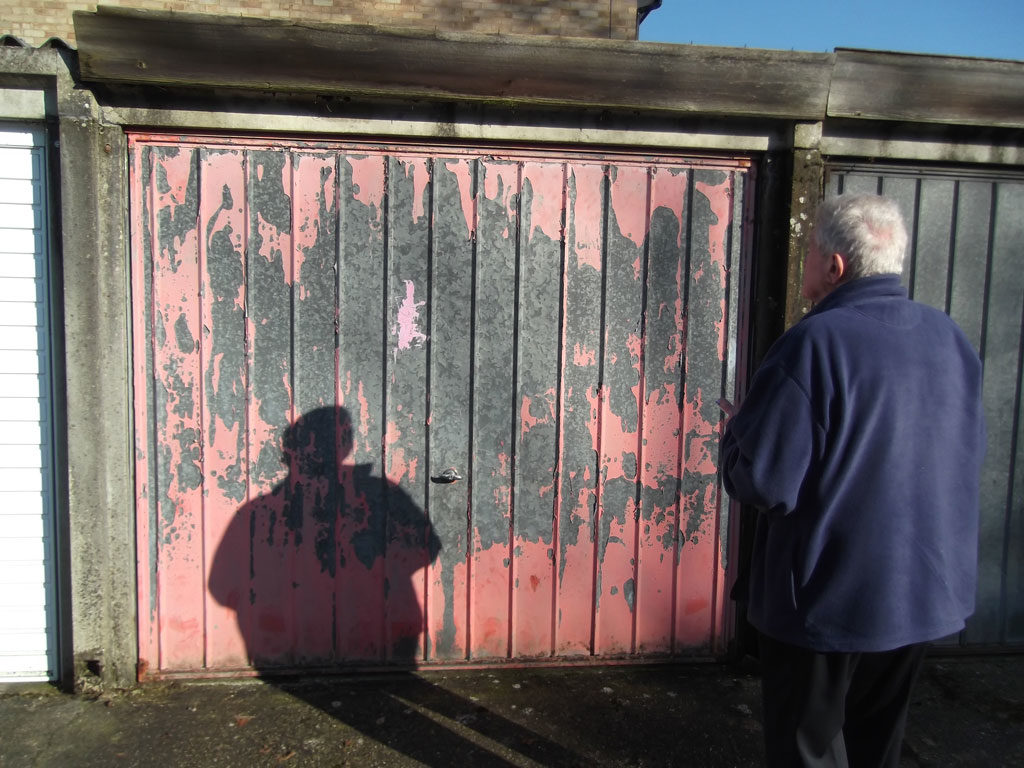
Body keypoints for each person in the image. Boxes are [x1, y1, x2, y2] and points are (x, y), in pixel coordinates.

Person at [719, 195, 986, 768]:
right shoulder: (950, 339)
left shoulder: (813, 345)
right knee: (877, 746)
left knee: (808, 751)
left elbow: (762, 481)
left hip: (826, 600)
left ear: (834, 265)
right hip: (917, 593)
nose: (806, 263)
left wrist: (738, 430)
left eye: (811, 251)